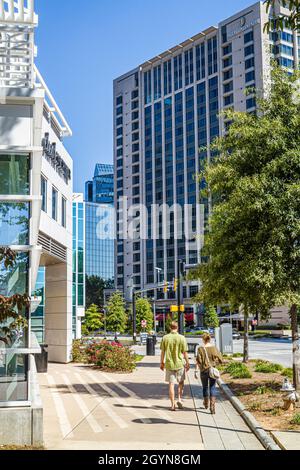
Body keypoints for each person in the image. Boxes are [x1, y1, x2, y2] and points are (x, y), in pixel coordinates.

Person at [160, 321, 190, 411]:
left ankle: (172, 405)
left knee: (171, 384)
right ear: (177, 328)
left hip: (169, 364)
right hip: (180, 364)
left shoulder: (165, 338)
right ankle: (179, 399)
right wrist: (188, 363)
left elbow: (162, 352)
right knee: (181, 382)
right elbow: (185, 352)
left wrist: (161, 362)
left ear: (170, 327)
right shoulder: (182, 338)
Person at [195, 333, 223, 415]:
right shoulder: (214, 348)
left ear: (203, 339)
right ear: (209, 339)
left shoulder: (200, 349)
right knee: (212, 387)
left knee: (205, 387)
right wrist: (215, 363)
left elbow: (198, 361)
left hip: (203, 370)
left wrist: (196, 371)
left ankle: (206, 403)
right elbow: (220, 359)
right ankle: (212, 406)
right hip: (212, 370)